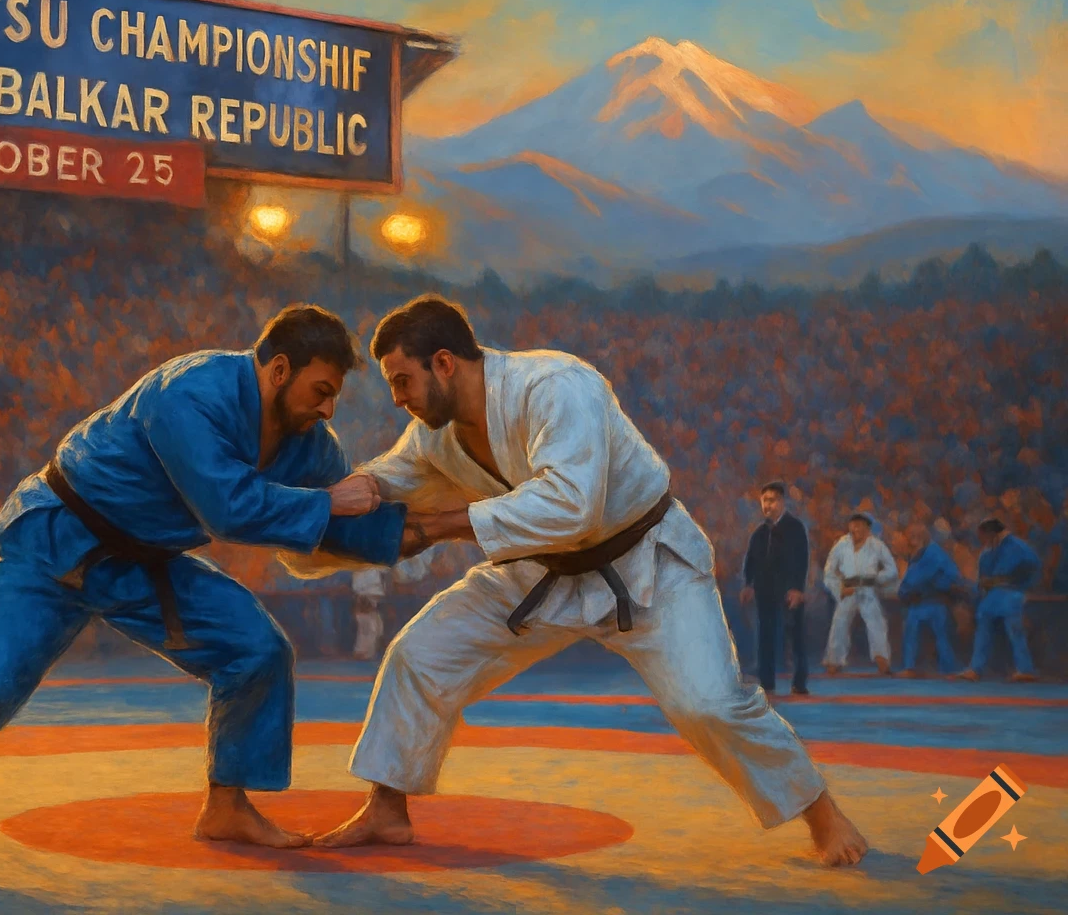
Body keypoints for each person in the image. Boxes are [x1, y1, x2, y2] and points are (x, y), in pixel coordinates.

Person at [0, 304, 409, 871]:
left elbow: (348, 522)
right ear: (278, 370)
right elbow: (230, 510)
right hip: (56, 540)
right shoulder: (189, 391)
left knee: (257, 649)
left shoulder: (307, 441)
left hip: (143, 562)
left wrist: (459, 524)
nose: (328, 409)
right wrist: (327, 501)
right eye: (320, 392)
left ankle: (227, 805)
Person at [315, 295, 867, 867]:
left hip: (647, 561)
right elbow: (396, 474)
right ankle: (387, 808)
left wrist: (439, 526)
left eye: (403, 380)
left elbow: (571, 504)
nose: (399, 398)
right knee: (419, 654)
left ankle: (823, 816)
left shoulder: (556, 384)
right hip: (542, 570)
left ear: (445, 363)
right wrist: (365, 489)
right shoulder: (437, 434)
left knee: (708, 705)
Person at [738, 482, 811, 695]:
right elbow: (750, 562)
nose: (767, 505)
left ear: (780, 502)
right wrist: (749, 585)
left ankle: (799, 683)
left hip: (789, 591)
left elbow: (802, 560)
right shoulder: (760, 533)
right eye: (764, 501)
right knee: (765, 637)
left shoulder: (795, 528)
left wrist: (798, 588)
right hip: (764, 591)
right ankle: (767, 683)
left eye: (771, 500)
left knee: (795, 638)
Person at [957, 519, 1040, 682]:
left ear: (991, 533)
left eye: (983, 536)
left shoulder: (1016, 546)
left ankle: (1025, 669)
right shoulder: (988, 552)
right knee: (983, 627)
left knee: (1014, 630)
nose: (981, 540)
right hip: (992, 596)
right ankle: (975, 668)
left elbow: (1031, 566)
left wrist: (1017, 582)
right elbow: (983, 579)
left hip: (1011, 593)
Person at [821, 513, 898, 675]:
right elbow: (829, 571)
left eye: (860, 525)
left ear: (868, 528)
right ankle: (834, 661)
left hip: (867, 588)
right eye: (853, 524)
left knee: (876, 622)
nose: (856, 528)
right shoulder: (842, 544)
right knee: (839, 623)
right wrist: (839, 589)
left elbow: (892, 570)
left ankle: (882, 660)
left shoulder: (877, 545)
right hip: (847, 588)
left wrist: (875, 579)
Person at [894, 524, 962, 678]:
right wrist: (905, 592)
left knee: (942, 636)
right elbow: (909, 582)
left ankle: (949, 669)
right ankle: (909, 667)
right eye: (910, 537)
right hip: (919, 602)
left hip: (935, 601)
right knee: (911, 631)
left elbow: (922, 578)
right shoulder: (916, 555)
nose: (911, 541)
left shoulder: (934, 552)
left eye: (913, 537)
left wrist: (938, 585)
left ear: (921, 537)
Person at [350, 565, 389, 662]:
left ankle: (368, 652)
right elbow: (357, 589)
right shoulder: (360, 570)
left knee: (377, 628)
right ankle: (362, 652)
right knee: (368, 627)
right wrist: (362, 601)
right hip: (365, 598)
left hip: (375, 599)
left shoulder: (378, 567)